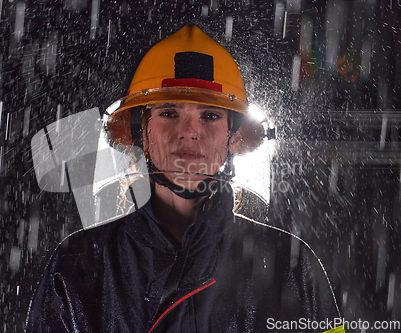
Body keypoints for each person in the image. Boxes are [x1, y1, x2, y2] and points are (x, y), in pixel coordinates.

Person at [26, 25, 345, 332]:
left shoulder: (289, 264)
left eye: (210, 116)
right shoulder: (77, 266)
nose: (189, 132)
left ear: (232, 139)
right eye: (168, 113)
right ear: (141, 132)